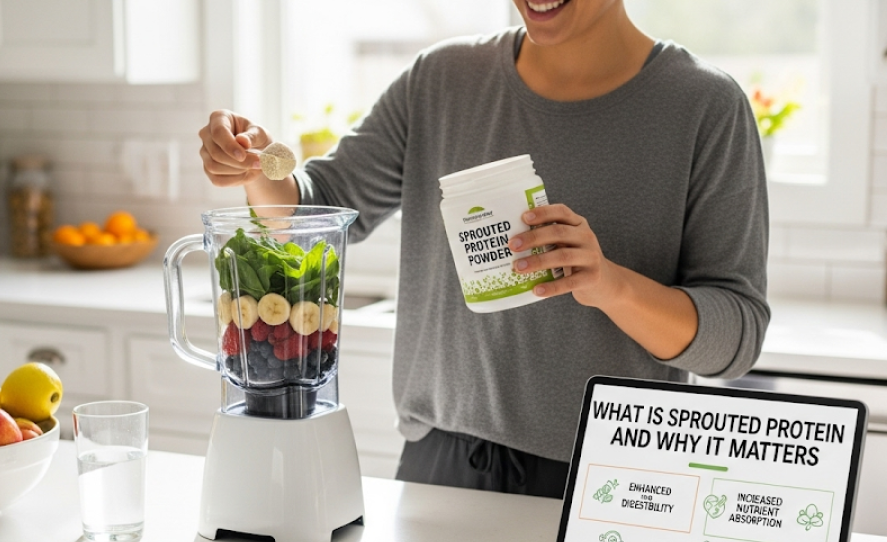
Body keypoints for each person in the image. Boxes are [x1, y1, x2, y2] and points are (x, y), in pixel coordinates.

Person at [198, 0, 769, 499]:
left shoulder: (705, 106)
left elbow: (735, 338)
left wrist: (610, 285)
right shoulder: (440, 80)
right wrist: (251, 166)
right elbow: (315, 210)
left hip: (614, 479)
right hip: (440, 462)